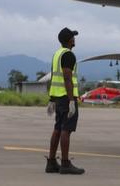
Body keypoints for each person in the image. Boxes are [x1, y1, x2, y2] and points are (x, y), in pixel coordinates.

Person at [45, 27, 85, 175]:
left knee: (58, 128)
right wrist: (71, 101)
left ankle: (51, 162)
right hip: (66, 97)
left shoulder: (57, 55)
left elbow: (53, 78)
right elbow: (67, 78)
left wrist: (51, 99)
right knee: (66, 130)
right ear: (69, 40)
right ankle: (65, 163)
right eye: (73, 37)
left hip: (57, 97)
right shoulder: (69, 55)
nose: (75, 39)